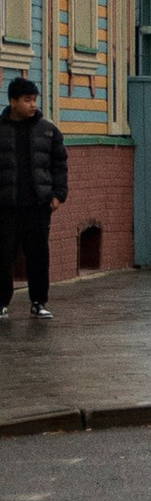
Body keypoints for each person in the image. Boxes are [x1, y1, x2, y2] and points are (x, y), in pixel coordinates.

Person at [0, 74, 68, 321]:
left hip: (38, 206)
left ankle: (39, 302)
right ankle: (1, 303)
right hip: (6, 206)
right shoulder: (2, 130)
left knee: (38, 255)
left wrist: (58, 194)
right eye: (27, 100)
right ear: (13, 101)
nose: (33, 105)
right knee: (3, 254)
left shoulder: (48, 131)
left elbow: (59, 164)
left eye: (34, 100)